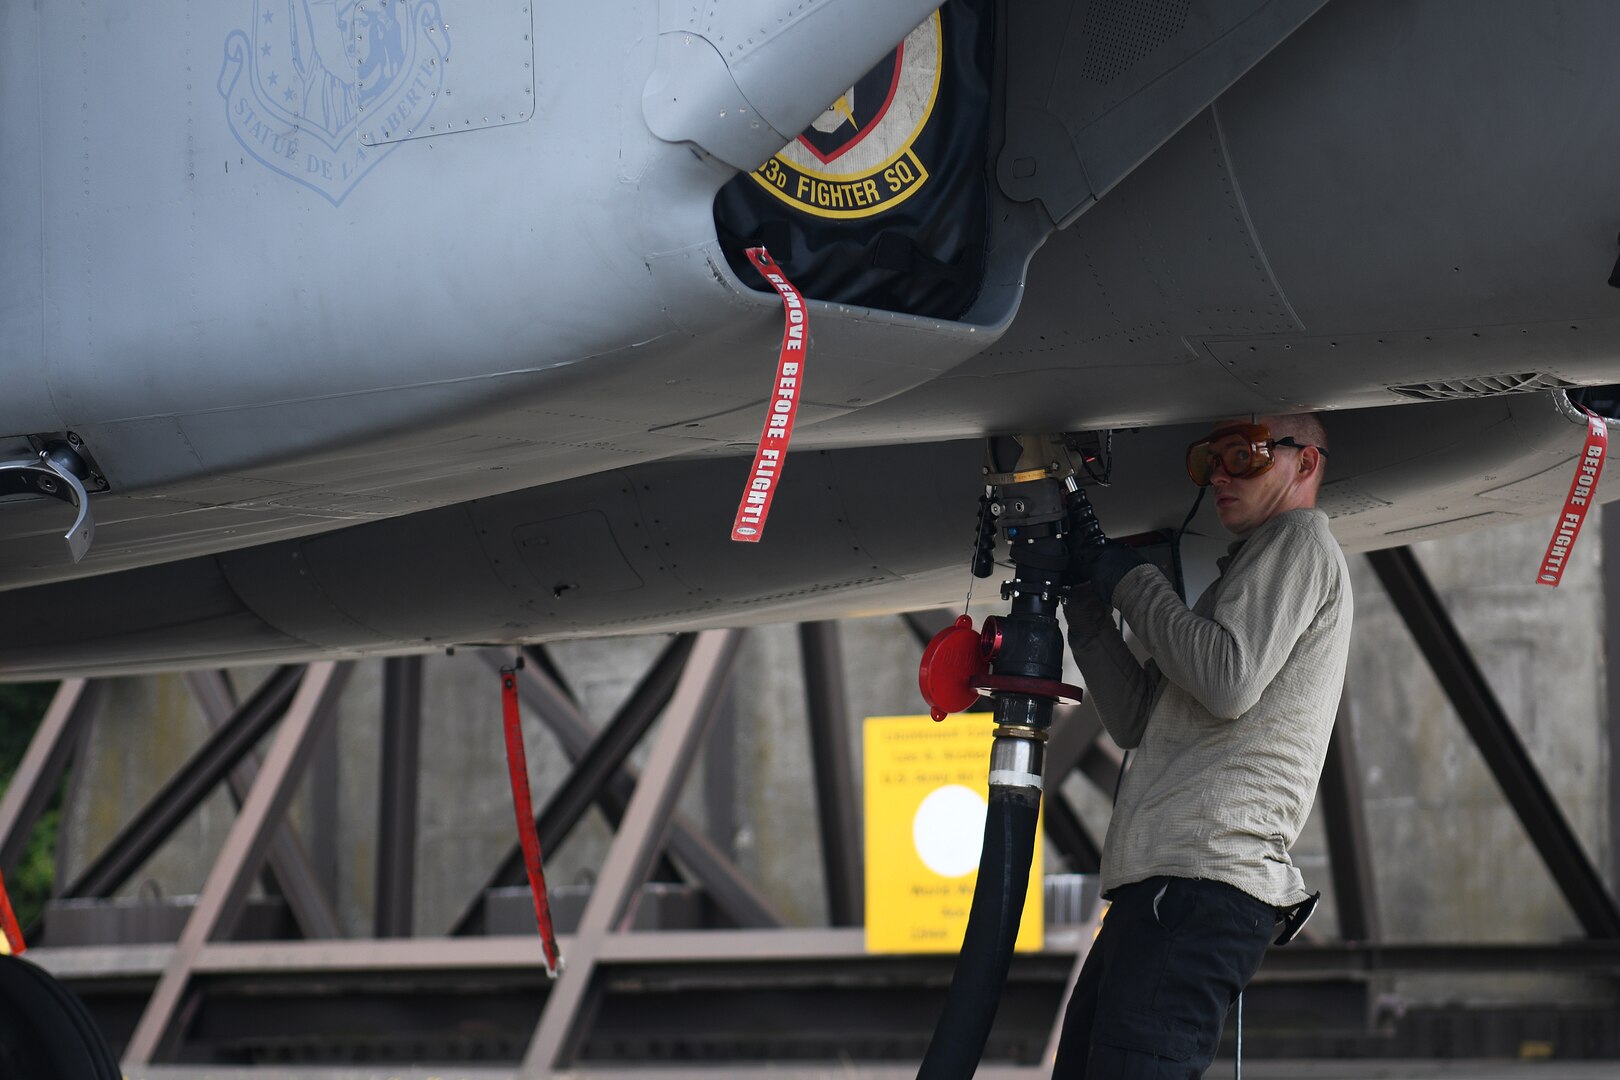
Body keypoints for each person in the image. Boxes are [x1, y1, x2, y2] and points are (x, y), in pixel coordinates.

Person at [1051, 413, 1352, 1077]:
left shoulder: (1299, 540)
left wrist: (1132, 581)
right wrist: (1086, 599)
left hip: (1198, 884)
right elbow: (1135, 719)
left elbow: (1227, 679)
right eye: (1209, 460)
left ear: (1306, 464)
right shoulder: (1236, 585)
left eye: (1242, 455)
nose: (1218, 473)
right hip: (1169, 888)